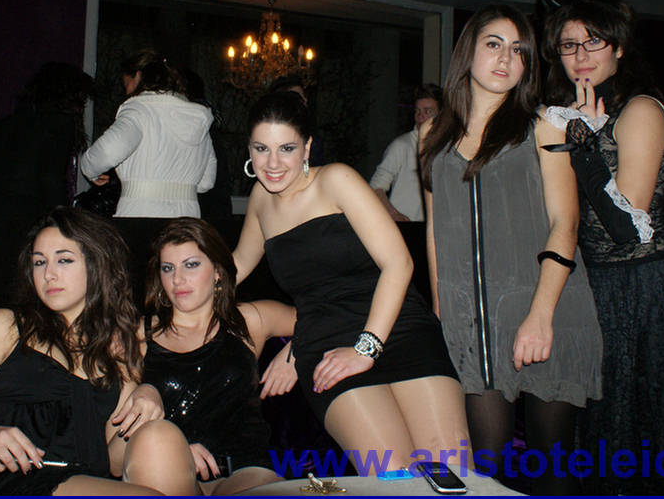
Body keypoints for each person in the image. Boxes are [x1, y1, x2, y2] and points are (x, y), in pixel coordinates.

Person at [540, 0, 664, 494]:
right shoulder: (573, 114)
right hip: (598, 285)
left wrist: (584, 149)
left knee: (657, 434)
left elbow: (629, 228)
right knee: (604, 427)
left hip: (653, 287)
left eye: (593, 41)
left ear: (619, 47)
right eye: (569, 45)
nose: (580, 55)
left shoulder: (641, 109)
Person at [233, 91, 469, 473]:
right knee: (394, 476)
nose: (272, 163)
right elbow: (238, 265)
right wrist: (170, 297)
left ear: (307, 147)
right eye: (262, 149)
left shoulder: (336, 179)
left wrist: (366, 348)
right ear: (249, 150)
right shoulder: (261, 198)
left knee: (452, 473)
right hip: (326, 345)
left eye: (286, 148)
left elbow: (399, 263)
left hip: (399, 329)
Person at [419, 4, 603, 495]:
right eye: (494, 44)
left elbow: (566, 223)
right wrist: (441, 308)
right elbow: (435, 229)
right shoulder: (431, 135)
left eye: (518, 50)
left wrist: (541, 316)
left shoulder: (543, 125)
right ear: (468, 52)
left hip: (548, 307)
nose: (505, 58)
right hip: (474, 321)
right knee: (485, 466)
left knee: (551, 468)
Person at [0, 207, 198, 495]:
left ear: (96, 265)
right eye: (39, 262)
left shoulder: (118, 348)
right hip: (12, 480)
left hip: (88, 481)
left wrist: (147, 397)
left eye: (64, 260)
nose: (49, 274)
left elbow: (115, 461)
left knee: (162, 436)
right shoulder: (5, 327)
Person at [142, 217, 296, 494]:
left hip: (245, 470)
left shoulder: (250, 320)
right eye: (168, 268)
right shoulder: (139, 334)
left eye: (191, 265)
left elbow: (327, 315)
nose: (177, 279)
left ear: (217, 271)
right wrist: (173, 450)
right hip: (168, 471)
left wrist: (297, 351)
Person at [79, 49, 216, 217]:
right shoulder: (197, 117)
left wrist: (90, 169)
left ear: (138, 76)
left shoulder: (139, 110)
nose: (126, 92)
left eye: (126, 84)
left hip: (141, 214)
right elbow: (206, 181)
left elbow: (107, 151)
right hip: (187, 218)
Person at [0, 62, 95, 217]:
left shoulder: (8, 122)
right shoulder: (60, 123)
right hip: (17, 218)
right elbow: (51, 180)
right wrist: (66, 220)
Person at [370, 84, 442, 221]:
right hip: (406, 227)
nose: (420, 117)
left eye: (428, 111)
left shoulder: (449, 149)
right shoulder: (402, 145)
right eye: (417, 111)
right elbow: (375, 186)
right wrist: (394, 214)